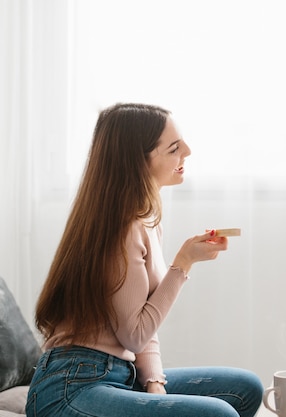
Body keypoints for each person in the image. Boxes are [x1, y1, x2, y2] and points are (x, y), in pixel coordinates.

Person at [27, 103, 263, 417]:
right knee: (218, 414)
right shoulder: (120, 228)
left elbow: (140, 321)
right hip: (71, 387)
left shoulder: (145, 222)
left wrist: (154, 380)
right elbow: (134, 334)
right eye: (174, 148)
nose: (188, 152)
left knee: (245, 388)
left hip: (120, 375)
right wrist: (182, 265)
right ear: (138, 161)